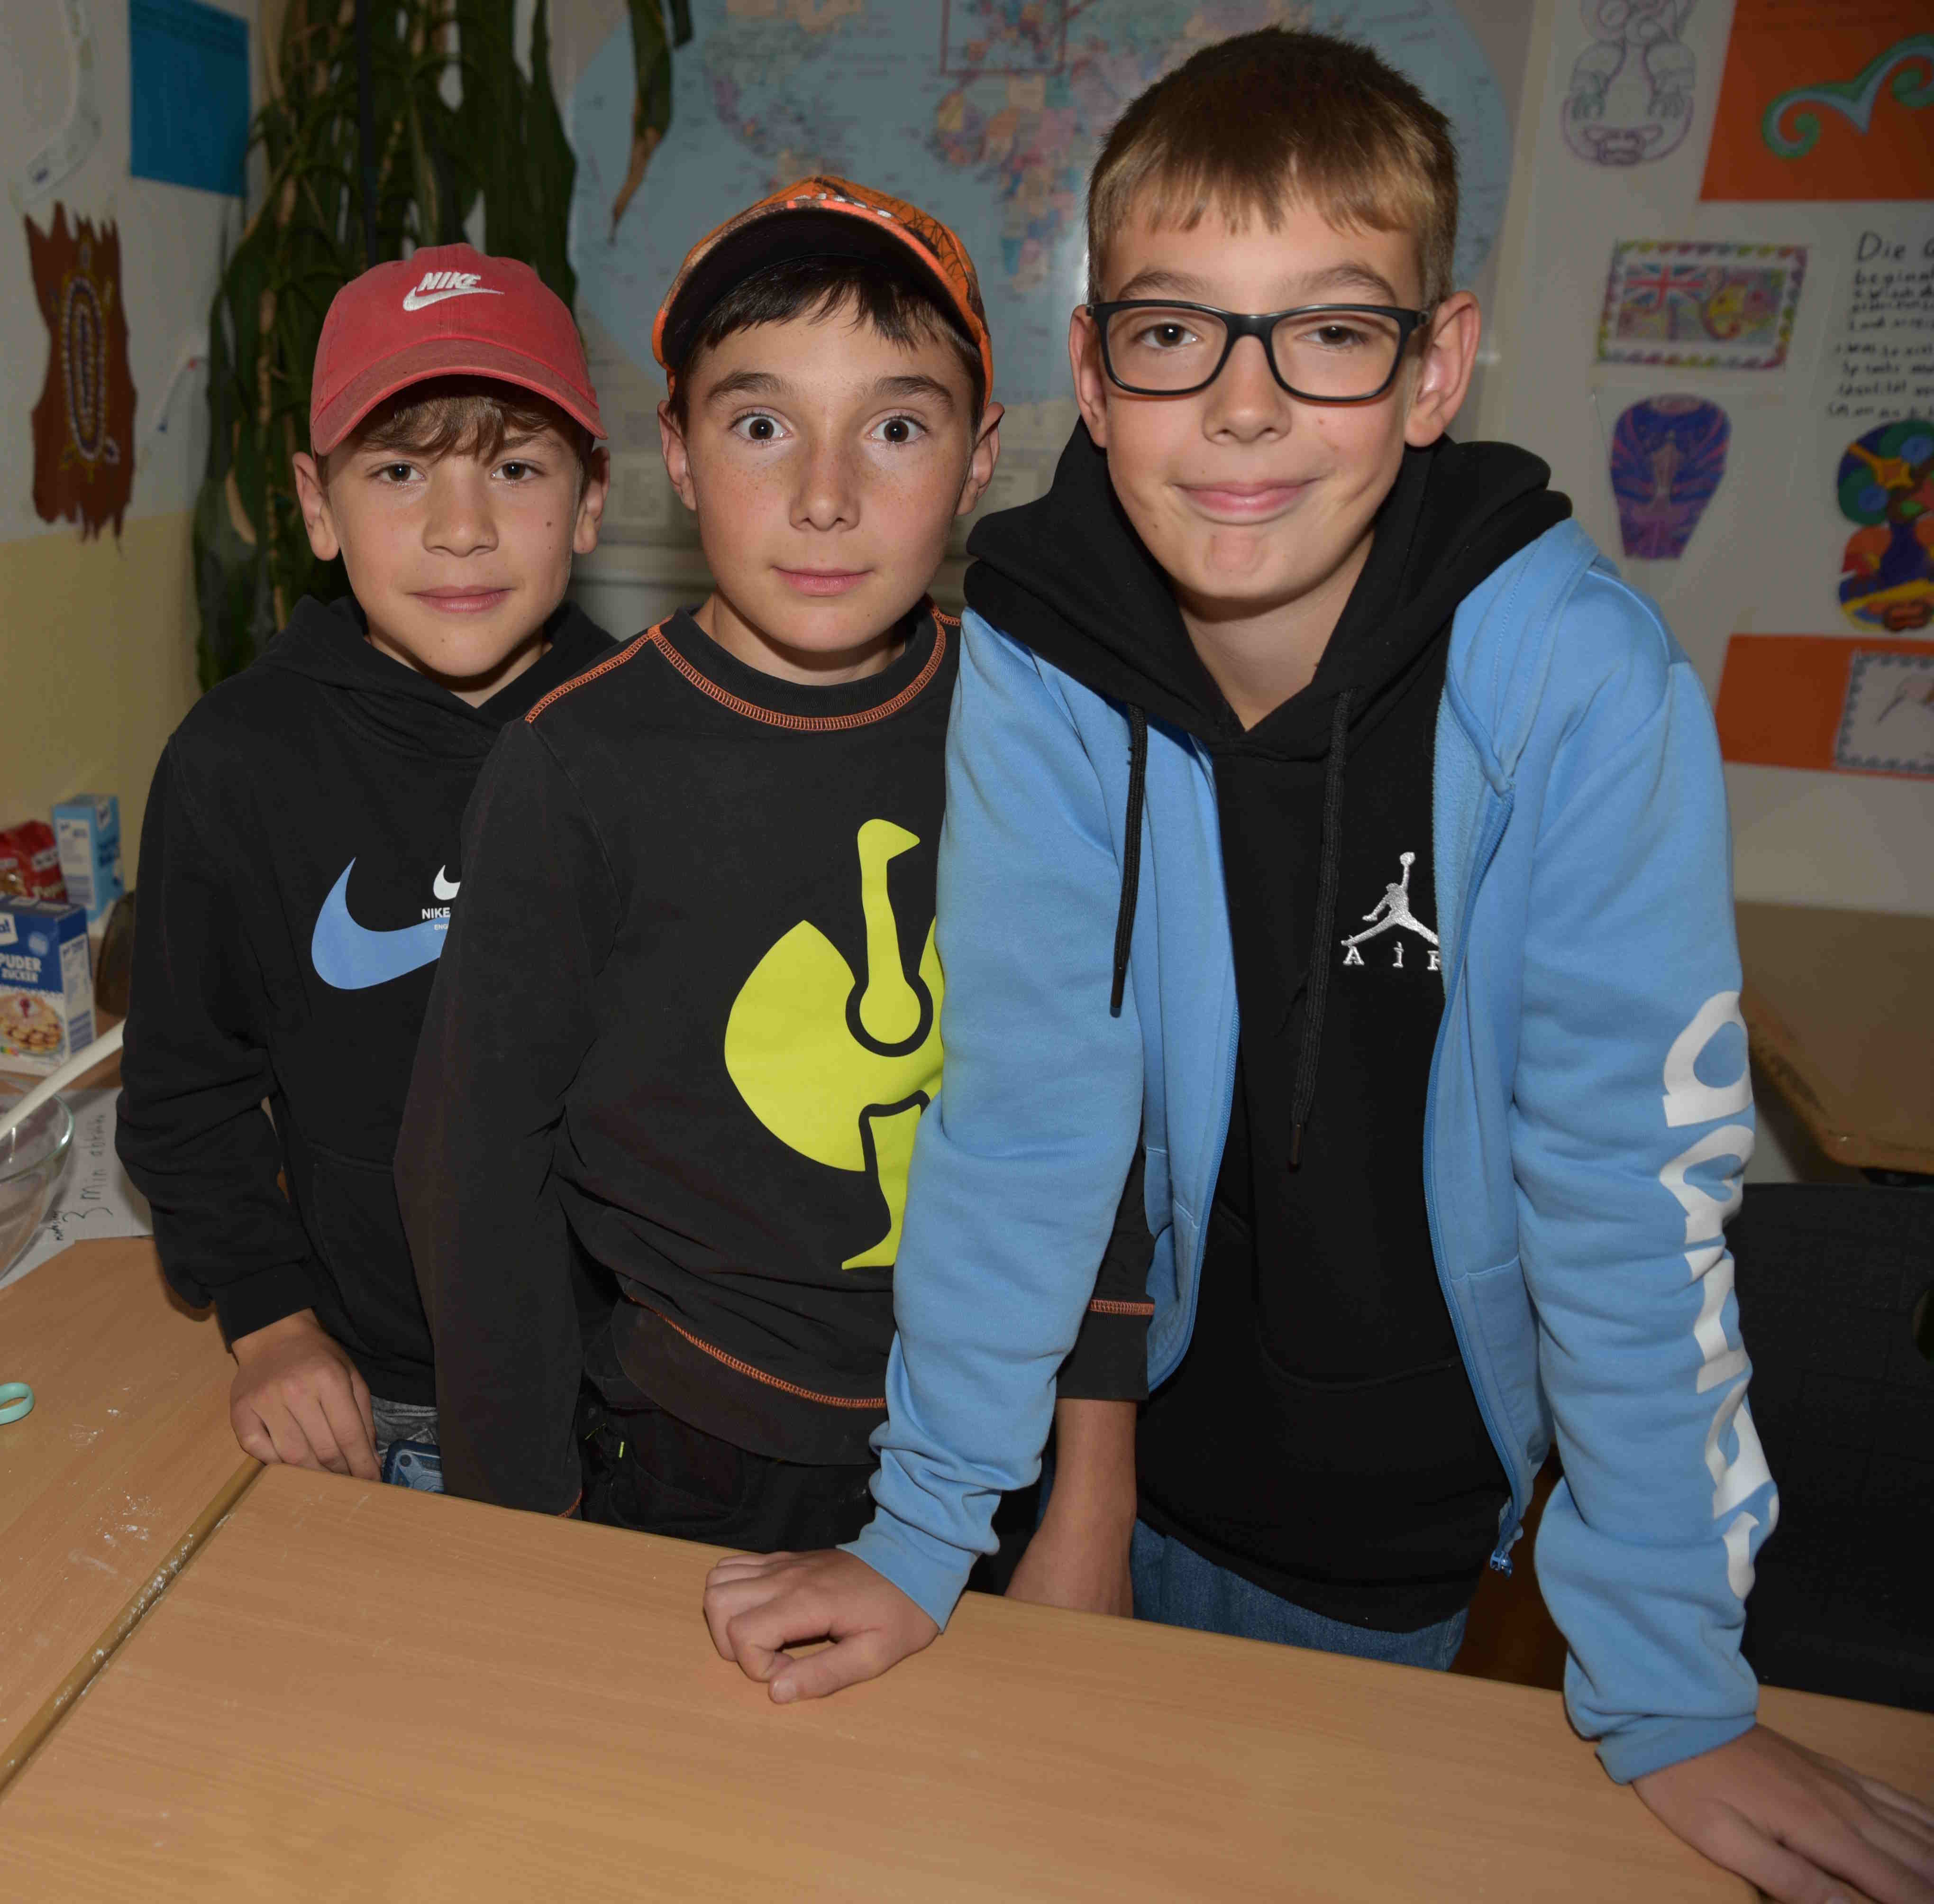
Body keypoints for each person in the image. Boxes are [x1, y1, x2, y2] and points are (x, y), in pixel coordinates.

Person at [700, 32, 1934, 1902]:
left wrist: (1673, 1686)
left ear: (1434, 368)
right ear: (1093, 375)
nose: (1246, 408)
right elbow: (1023, 1108)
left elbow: (1630, 1198)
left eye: (1331, 332)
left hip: (1399, 1496)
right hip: (1109, 1444)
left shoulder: (1577, 685)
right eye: (1175, 333)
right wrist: (924, 1526)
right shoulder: (1038, 647)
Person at [398, 180, 1153, 1571]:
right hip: (690, 1458)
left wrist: (1095, 1502)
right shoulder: (576, 765)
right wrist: (524, 1522)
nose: (824, 497)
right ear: (678, 454)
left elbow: (1097, 1127)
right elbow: (473, 1170)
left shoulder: (1045, 736)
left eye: (896, 428)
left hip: (1000, 1450)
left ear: (980, 458)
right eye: (761, 426)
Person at [117, 244, 612, 1491]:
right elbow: (184, 1094)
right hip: (384, 1390)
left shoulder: (656, 742)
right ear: (316, 505)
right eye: (399, 471)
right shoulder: (235, 764)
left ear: (591, 499)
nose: (462, 528)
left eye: (516, 468)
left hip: (634, 1393)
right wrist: (271, 1323)